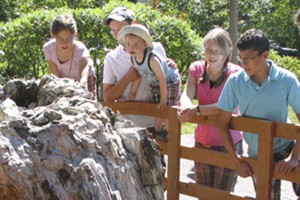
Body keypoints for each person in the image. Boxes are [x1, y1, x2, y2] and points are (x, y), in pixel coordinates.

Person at [217, 28, 300, 200]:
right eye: (241, 58)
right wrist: (235, 160)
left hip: (287, 146)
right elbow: (221, 122)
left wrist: (293, 158)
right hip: (259, 152)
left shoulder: (287, 80)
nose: (244, 63)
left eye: (249, 58)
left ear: (265, 55)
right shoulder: (235, 82)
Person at [177, 27, 243, 192]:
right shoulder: (196, 69)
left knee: (221, 194)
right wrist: (185, 106)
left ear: (227, 53)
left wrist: (197, 110)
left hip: (227, 142)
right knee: (203, 193)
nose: (212, 54)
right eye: (208, 49)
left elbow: (226, 105)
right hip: (202, 141)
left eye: (217, 51)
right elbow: (187, 94)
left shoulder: (235, 74)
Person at [103, 6, 176, 129]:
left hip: (153, 121)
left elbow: (164, 80)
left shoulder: (155, 49)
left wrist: (170, 67)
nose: (116, 35)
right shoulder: (112, 58)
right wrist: (128, 77)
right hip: (125, 125)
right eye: (113, 30)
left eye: (120, 29)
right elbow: (107, 97)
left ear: (134, 24)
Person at [117, 24, 181, 140]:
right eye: (128, 45)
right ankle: (157, 131)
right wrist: (132, 93)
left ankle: (168, 132)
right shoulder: (134, 58)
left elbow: (162, 78)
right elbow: (138, 75)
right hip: (154, 82)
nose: (132, 48)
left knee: (167, 107)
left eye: (136, 44)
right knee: (158, 108)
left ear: (145, 44)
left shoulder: (152, 59)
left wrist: (164, 98)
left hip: (169, 80)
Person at [43, 13, 97, 99]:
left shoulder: (80, 50)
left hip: (84, 79)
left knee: (86, 102)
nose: (65, 43)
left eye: (68, 38)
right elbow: (55, 76)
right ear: (53, 35)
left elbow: (83, 79)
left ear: (75, 34)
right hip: (62, 77)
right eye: (60, 38)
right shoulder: (48, 48)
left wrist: (81, 92)